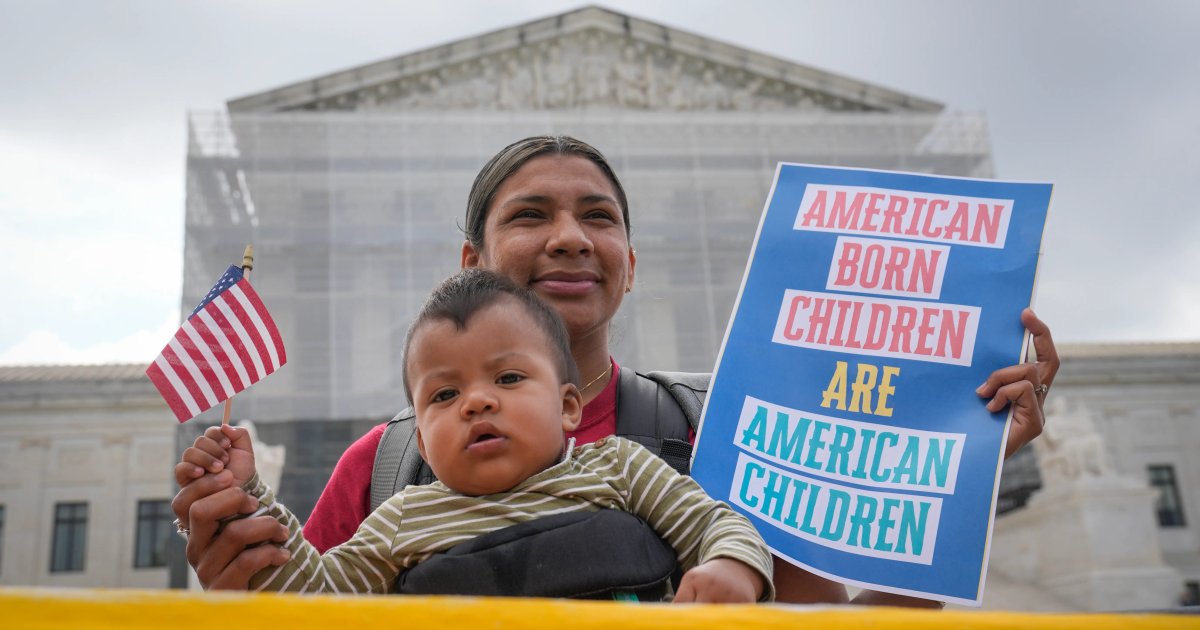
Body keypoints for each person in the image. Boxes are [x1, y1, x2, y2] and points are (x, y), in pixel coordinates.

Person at [173, 135, 1060, 605]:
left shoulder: (728, 430)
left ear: (629, 263)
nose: (569, 236)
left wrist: (959, 472)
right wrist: (246, 566)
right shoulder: (384, 470)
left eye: (598, 216)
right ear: (471, 262)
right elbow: (311, 601)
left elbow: (832, 628)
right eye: (532, 215)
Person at [179, 269, 773, 602]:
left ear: (569, 406)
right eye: (443, 395)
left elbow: (716, 522)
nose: (477, 401)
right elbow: (319, 599)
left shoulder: (620, 468)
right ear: (418, 426)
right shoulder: (402, 517)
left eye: (509, 378)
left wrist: (733, 568)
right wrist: (249, 500)